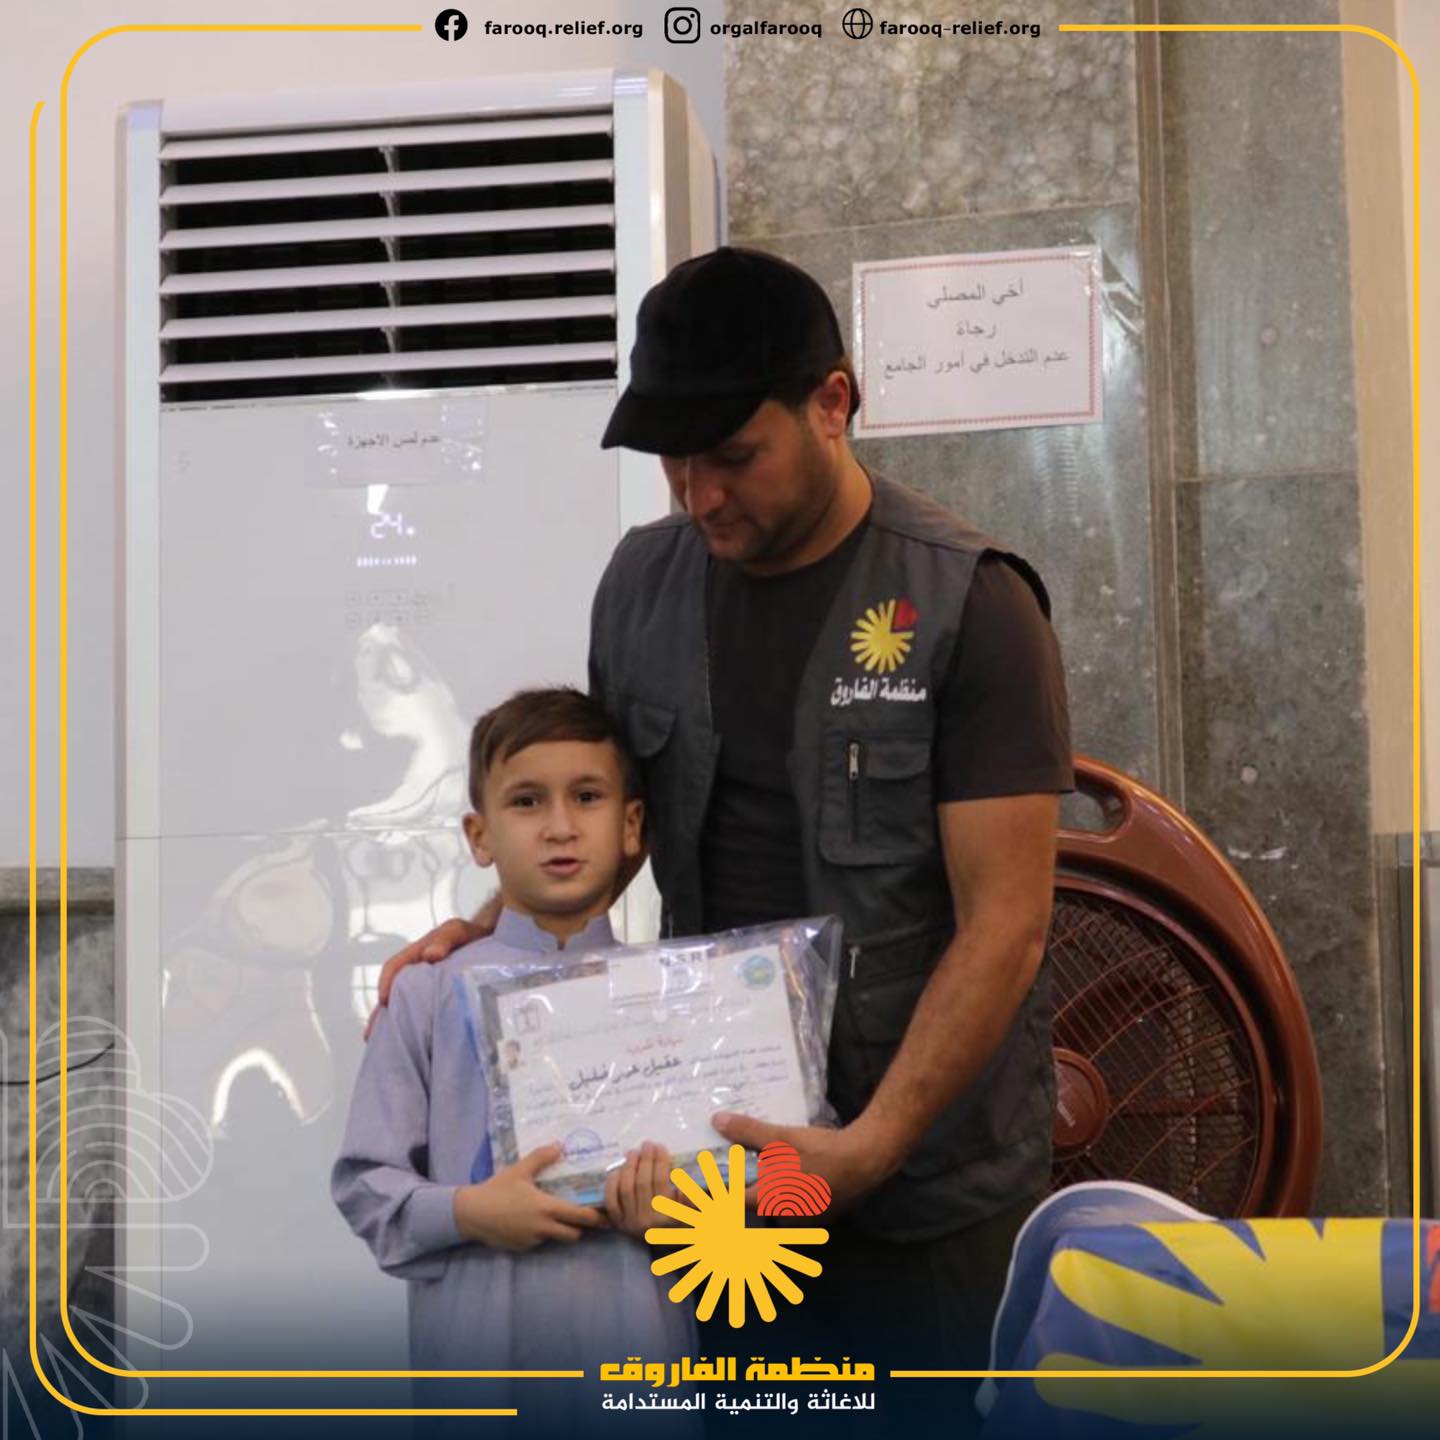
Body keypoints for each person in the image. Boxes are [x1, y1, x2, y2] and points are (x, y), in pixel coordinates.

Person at [371, 247, 1073, 1426]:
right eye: (675, 463)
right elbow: (611, 820)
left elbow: (1007, 924)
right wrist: (494, 931)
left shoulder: (969, 603)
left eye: (734, 456)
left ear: (832, 405)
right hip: (716, 1168)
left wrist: (874, 1145)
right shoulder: (643, 584)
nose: (700, 496)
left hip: (929, 1187)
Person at [332, 687, 697, 1435]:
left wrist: (683, 1214)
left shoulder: (684, 996)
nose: (560, 827)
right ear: (479, 835)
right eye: (527, 802)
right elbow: (366, 1187)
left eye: (587, 797)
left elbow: (756, 1204)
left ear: (631, 825)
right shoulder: (427, 994)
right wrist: (468, 1212)